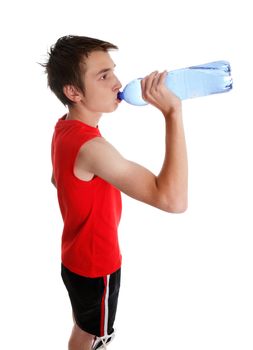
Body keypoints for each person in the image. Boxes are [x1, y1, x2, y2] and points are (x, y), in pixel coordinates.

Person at [43, 35, 188, 350]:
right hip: (97, 267)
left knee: (84, 327)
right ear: (73, 92)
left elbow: (58, 179)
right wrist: (173, 114)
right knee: (97, 335)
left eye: (113, 72)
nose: (117, 83)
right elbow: (173, 200)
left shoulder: (63, 128)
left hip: (74, 257)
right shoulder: (92, 148)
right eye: (103, 76)